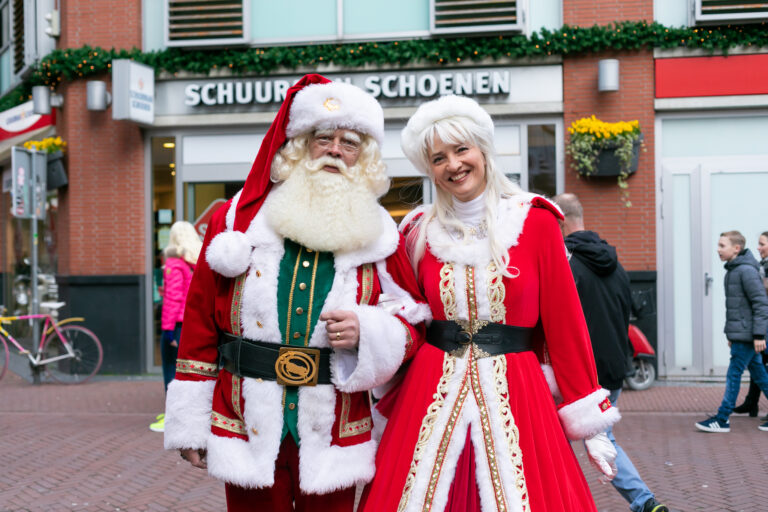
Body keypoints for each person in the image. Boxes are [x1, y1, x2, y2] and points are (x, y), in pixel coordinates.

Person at [163, 75, 428, 512]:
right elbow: (198, 326)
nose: (336, 151)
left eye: (350, 142)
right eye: (324, 137)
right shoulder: (236, 222)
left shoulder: (380, 233)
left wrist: (370, 330)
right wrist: (190, 424)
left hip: (335, 428)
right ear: (298, 144)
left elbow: (414, 318)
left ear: (364, 157)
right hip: (245, 418)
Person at [360, 95, 619, 512]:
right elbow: (405, 313)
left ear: (482, 149)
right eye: (438, 158)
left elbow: (565, 321)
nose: (453, 164)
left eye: (461, 149)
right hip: (430, 388)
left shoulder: (534, 221)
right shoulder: (417, 232)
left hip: (518, 390)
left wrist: (591, 419)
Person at [554, 192, 670, 512]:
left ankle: (558, 500)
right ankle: (645, 501)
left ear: (559, 221)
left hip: (579, 371)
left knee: (552, 442)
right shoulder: (616, 264)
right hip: (613, 368)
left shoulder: (565, 265)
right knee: (604, 440)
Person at [696, 230, 768, 433]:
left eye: (722, 246)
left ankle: (722, 418)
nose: (718, 250)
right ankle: (722, 418)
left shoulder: (745, 271)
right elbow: (738, 308)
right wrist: (732, 334)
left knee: (733, 375)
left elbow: (761, 304)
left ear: (736, 248)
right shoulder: (734, 271)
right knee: (760, 375)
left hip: (748, 336)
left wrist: (758, 335)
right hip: (742, 334)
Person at [150, 221, 201, 433]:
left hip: (177, 325)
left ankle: (172, 419)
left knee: (171, 371)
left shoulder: (174, 262)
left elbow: (173, 298)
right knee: (189, 373)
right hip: (193, 324)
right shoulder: (197, 260)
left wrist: (167, 329)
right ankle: (187, 416)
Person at [732, 231, 768, 419]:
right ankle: (751, 403)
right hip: (763, 324)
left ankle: (748, 404)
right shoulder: (762, 266)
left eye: (762, 244)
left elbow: (762, 296)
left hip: (764, 323)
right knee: (758, 363)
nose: (758, 247)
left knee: (760, 364)